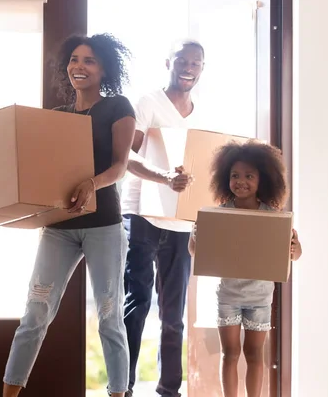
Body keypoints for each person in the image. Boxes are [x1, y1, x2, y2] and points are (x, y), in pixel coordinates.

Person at [0, 33, 136, 397]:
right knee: (34, 314)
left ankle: (118, 392)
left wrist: (92, 183)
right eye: (74, 59)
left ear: (105, 68)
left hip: (104, 226)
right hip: (59, 227)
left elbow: (121, 166)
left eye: (89, 60)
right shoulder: (57, 117)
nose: (79, 66)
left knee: (109, 317)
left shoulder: (118, 107)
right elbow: (30, 166)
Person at [120, 39, 205, 397]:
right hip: (142, 215)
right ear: (168, 62)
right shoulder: (148, 103)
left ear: (202, 68)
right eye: (182, 61)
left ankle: (169, 391)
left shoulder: (202, 114)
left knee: (173, 316)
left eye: (196, 63)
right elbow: (126, 155)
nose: (188, 67)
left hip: (181, 223)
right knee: (136, 304)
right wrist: (165, 178)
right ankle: (120, 387)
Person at [187, 140, 303, 397]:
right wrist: (196, 235)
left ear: (263, 179)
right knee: (229, 353)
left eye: (249, 176)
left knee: (254, 354)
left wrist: (294, 248)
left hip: (260, 297)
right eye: (235, 176)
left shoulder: (273, 218)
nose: (241, 181)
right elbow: (196, 252)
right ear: (225, 178)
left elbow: (294, 253)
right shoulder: (218, 215)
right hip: (228, 294)